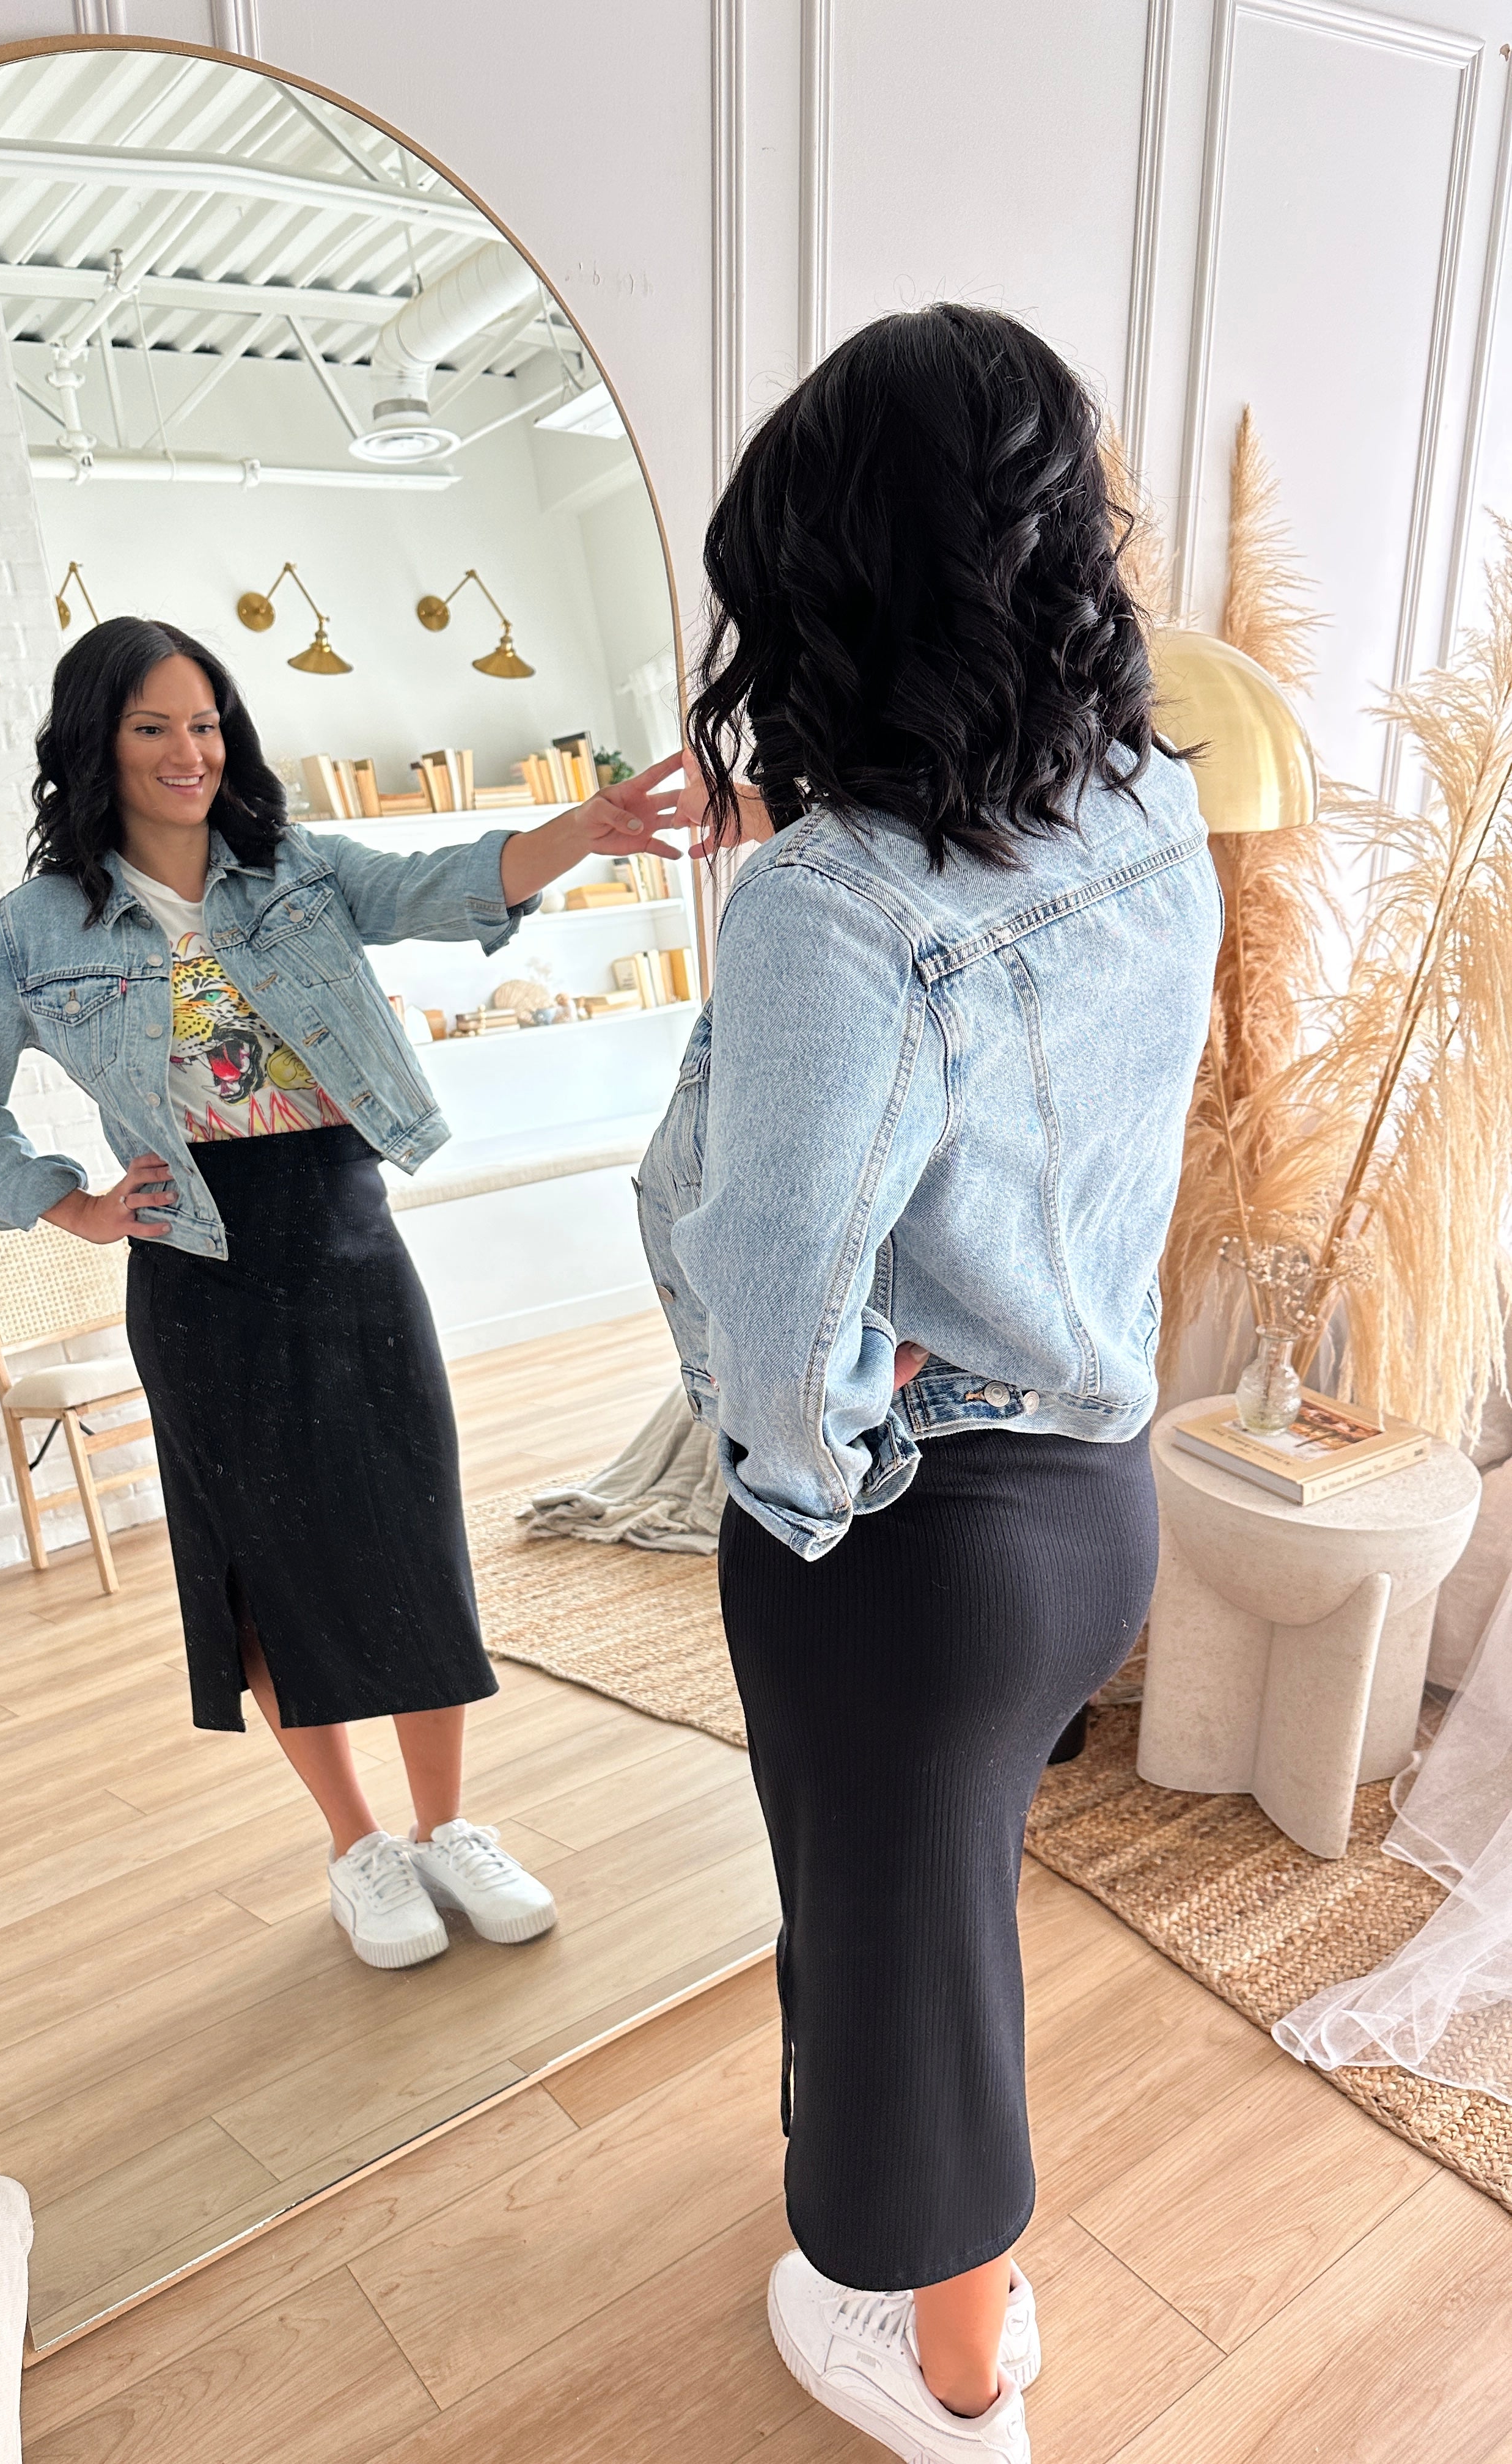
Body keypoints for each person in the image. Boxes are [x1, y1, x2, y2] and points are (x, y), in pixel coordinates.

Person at [637, 306, 1220, 2462]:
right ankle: (952, 2273)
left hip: (918, 1537)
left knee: (904, 1973)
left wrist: (806, 1482)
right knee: (941, 1919)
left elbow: (780, 1288)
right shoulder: (1144, 803)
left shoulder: (834, 903)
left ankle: (957, 2375)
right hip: (1095, 1496)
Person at [0, 617, 682, 1971]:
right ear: (96, 743)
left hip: (343, 1231)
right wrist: (71, 1203)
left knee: (409, 1529)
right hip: (195, 1267)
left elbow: (450, 881)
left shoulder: (297, 870)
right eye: (153, 725)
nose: (188, 750)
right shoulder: (38, 928)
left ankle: (449, 1829)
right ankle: (358, 1847)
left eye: (205, 722)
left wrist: (583, 830)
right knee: (265, 1565)